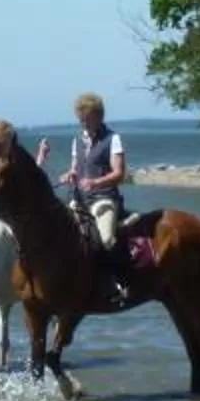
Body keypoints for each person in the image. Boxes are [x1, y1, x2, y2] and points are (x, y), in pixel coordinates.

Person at [65, 93, 131, 287]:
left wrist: (95, 182)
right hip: (79, 199)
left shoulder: (113, 139)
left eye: (87, 118)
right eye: (80, 119)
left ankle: (120, 280)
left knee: (106, 238)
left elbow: (119, 173)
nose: (83, 123)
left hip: (104, 198)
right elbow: (75, 168)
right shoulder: (77, 141)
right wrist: (70, 174)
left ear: (99, 117)